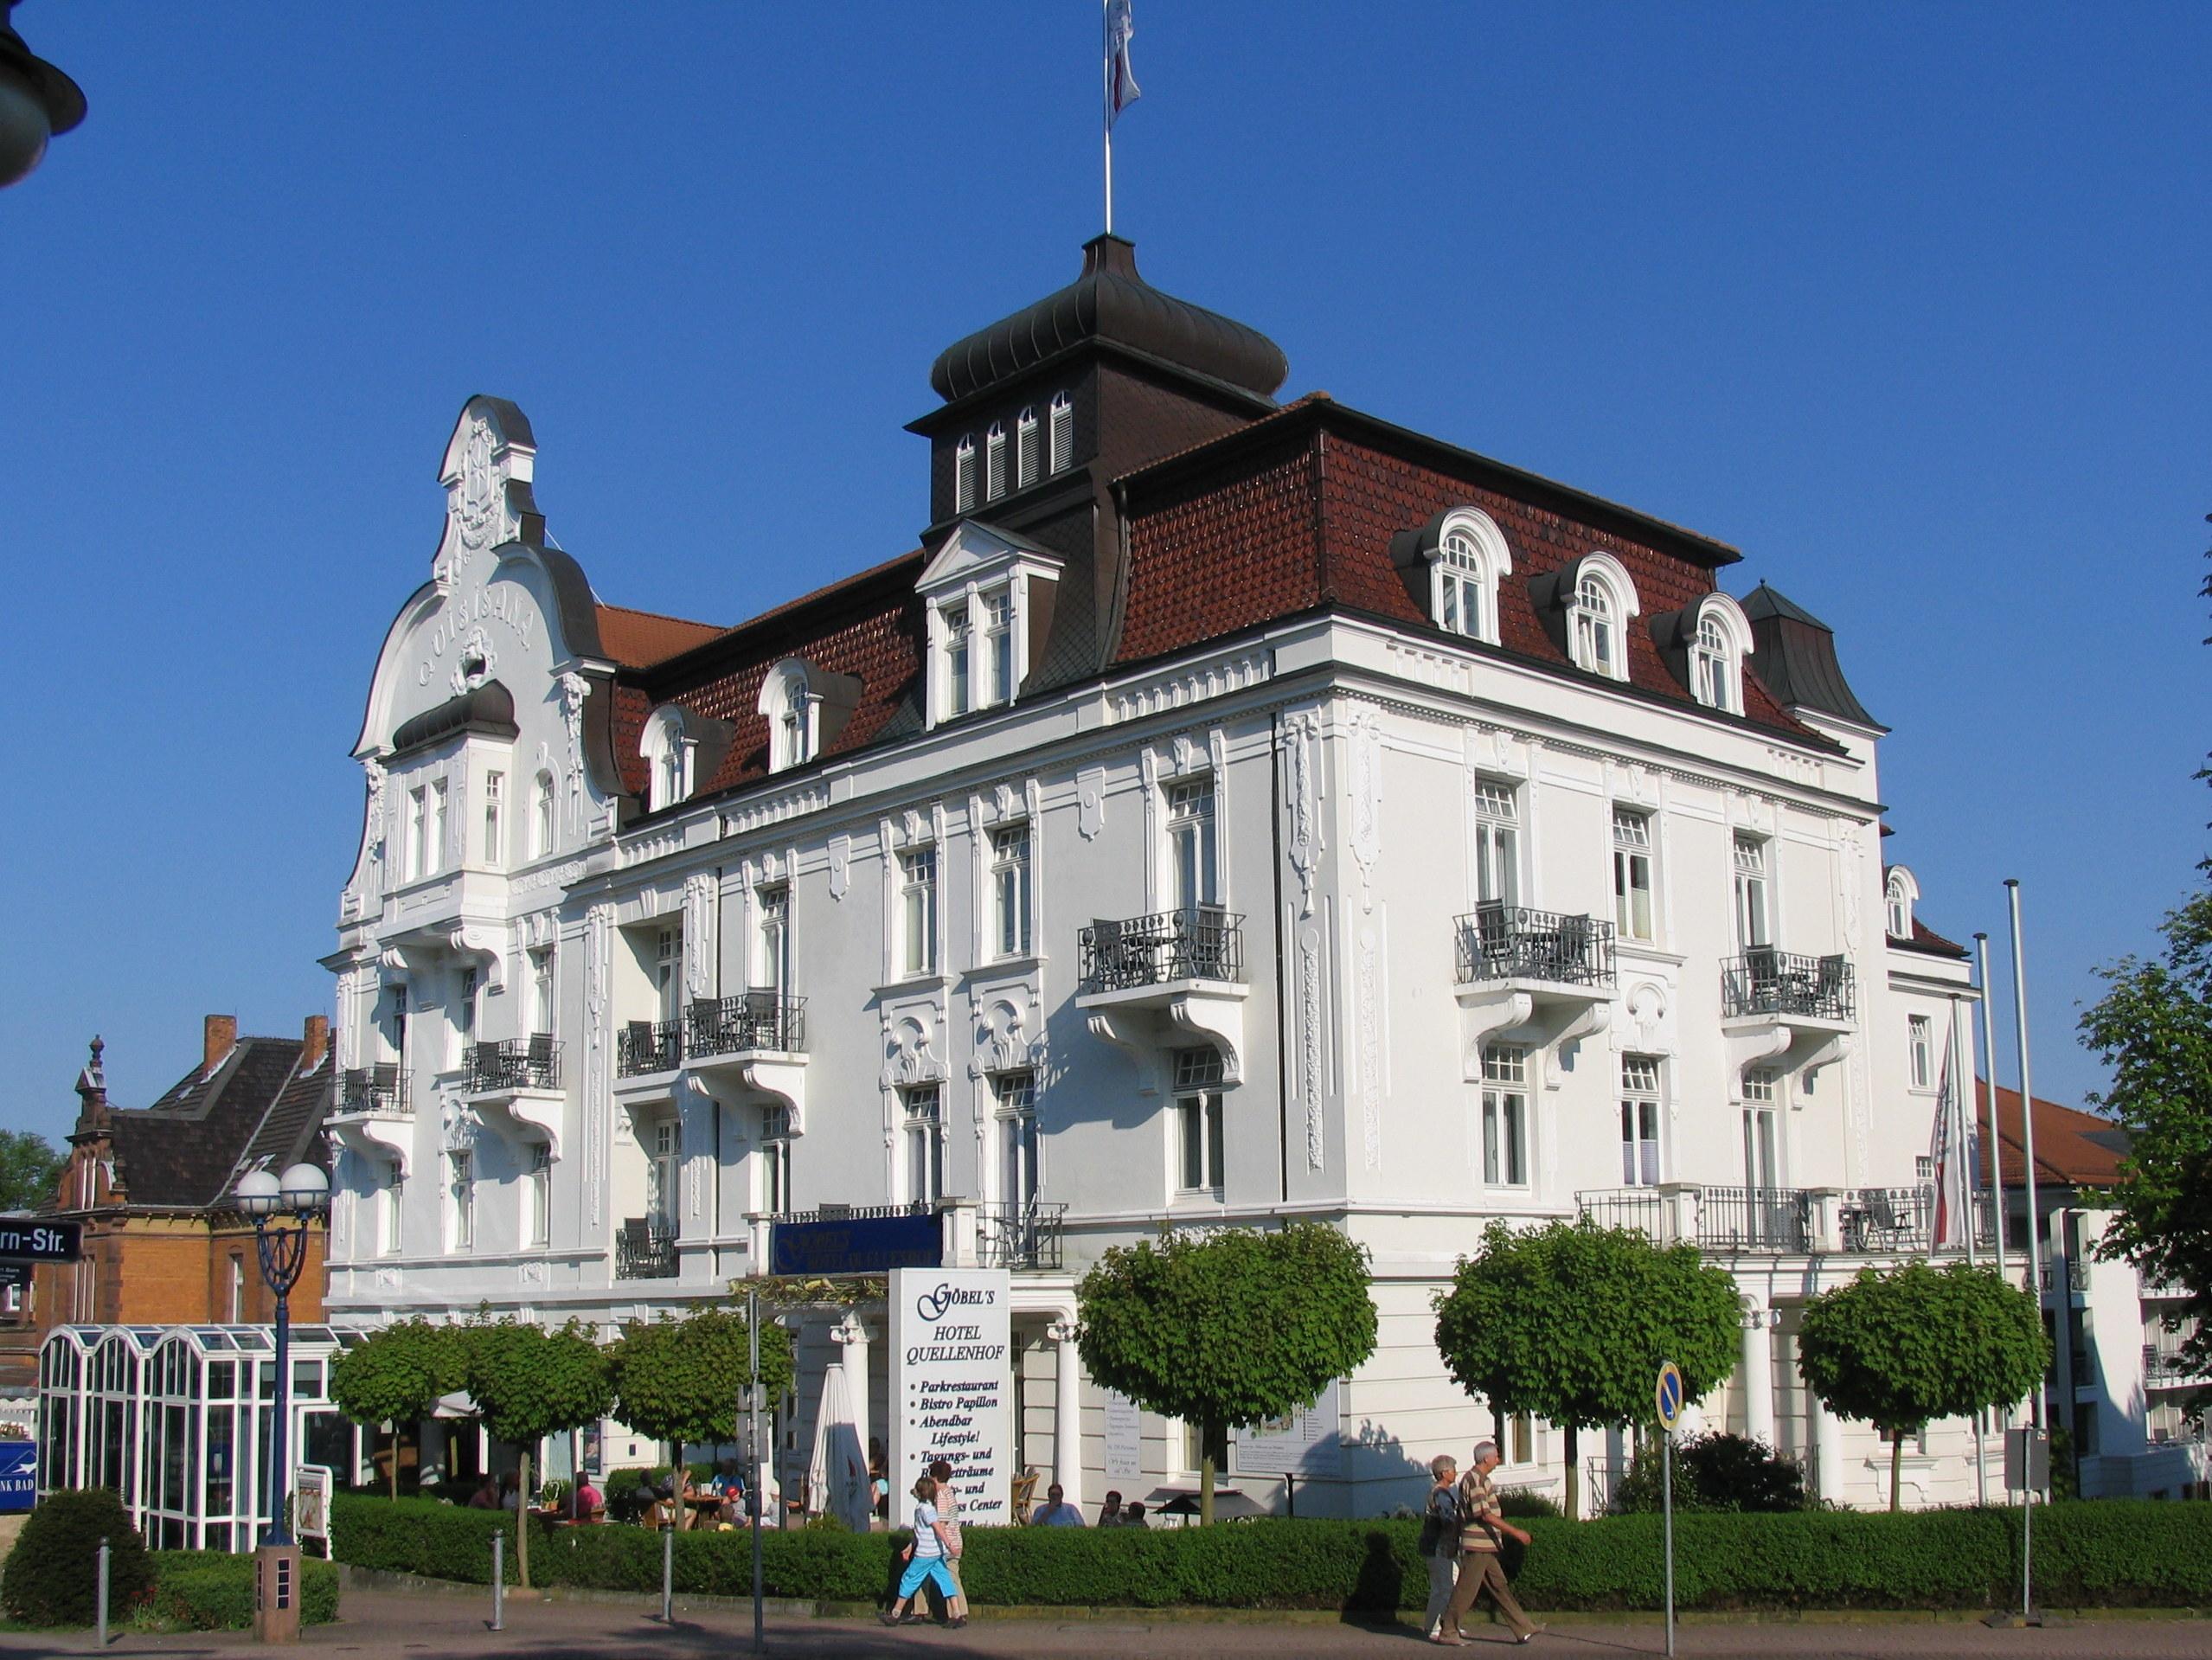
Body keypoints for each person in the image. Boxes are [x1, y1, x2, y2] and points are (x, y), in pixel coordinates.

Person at [1434, 1441, 1541, 1647]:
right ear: (1486, 1459)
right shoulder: (1474, 1480)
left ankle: (1523, 1627)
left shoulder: (1482, 1479)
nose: (1498, 1460)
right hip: (1478, 1545)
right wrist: (1516, 1532)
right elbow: (1484, 1514)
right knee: (1466, 1590)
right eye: (1496, 1456)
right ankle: (1448, 1630)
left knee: (1499, 1585)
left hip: (1486, 1544)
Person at [880, 1474, 965, 1630]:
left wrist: (950, 1544)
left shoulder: (925, 1509)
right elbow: (922, 1531)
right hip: (935, 1552)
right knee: (945, 1580)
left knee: (909, 1578)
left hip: (926, 1554)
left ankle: (895, 1614)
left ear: (921, 1493)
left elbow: (938, 1529)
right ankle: (957, 1614)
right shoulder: (928, 1508)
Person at [1419, 1453, 1461, 1642]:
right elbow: (1449, 1520)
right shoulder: (1441, 1494)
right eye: (1453, 1469)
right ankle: (1434, 1627)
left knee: (1449, 1584)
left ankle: (1447, 1624)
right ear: (1444, 1473)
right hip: (1439, 1547)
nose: (1456, 1472)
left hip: (1441, 1546)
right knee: (1443, 1588)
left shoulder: (1437, 1492)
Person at [927, 1458, 969, 1625]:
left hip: (947, 1543)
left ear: (935, 1477)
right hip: (956, 1540)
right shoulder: (950, 1492)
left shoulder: (941, 1495)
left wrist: (943, 1542)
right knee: (953, 1577)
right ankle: (961, 1612)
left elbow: (941, 1523)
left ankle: (953, 1614)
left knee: (941, 1577)